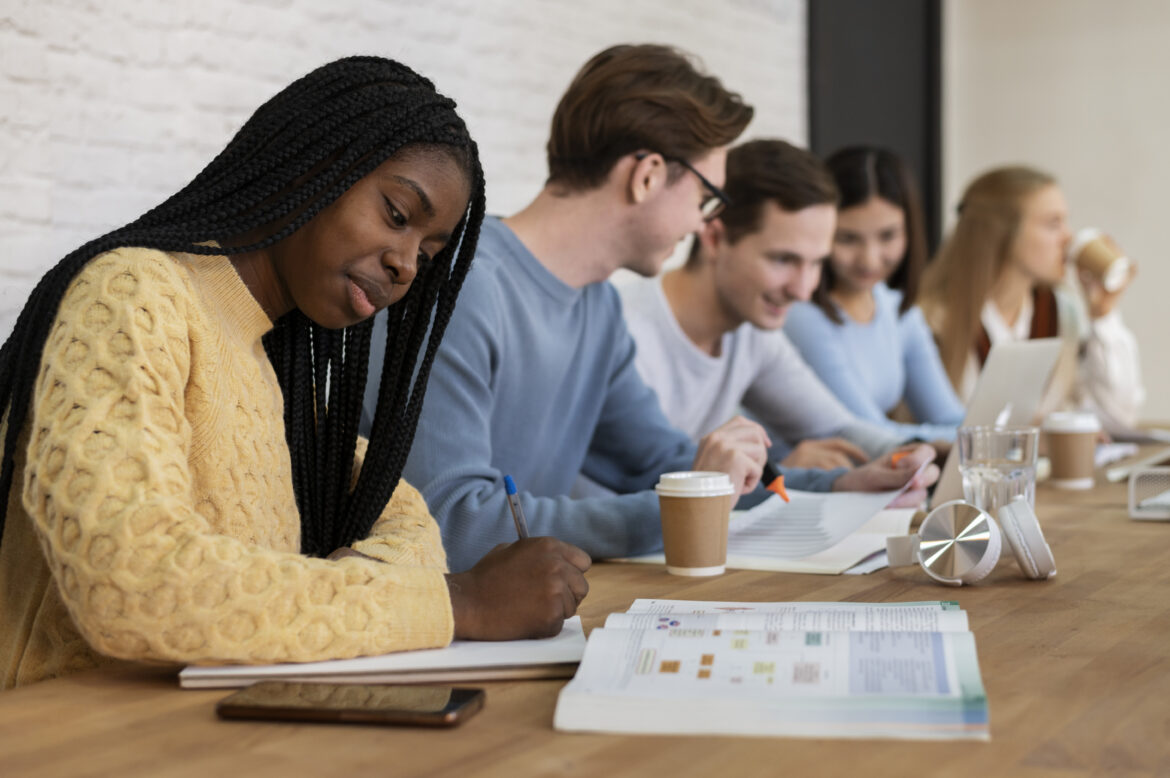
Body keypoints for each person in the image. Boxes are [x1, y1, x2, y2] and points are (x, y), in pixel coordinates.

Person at [0, 57, 590, 690]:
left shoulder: (281, 362)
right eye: (397, 214)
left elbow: (410, 524)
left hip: (216, 723)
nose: (405, 265)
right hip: (65, 728)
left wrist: (336, 592)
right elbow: (131, 581)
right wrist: (462, 603)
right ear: (317, 164)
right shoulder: (132, 295)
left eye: (426, 253)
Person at [374, 45, 938, 573]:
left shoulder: (597, 307)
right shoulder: (464, 288)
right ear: (645, 177)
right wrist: (690, 506)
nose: (702, 222)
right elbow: (453, 524)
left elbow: (662, 464)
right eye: (706, 198)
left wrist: (837, 485)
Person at [619, 139, 910, 472]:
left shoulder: (751, 331)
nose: (803, 291)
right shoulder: (629, 333)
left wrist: (923, 453)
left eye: (816, 263)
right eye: (783, 259)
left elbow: (835, 428)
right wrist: (779, 470)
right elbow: (648, 478)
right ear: (714, 239)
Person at [917, 165, 1144, 433]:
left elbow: (1118, 417)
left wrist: (1103, 314)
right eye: (1053, 224)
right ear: (1002, 232)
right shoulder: (933, 320)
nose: (1068, 237)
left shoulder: (1061, 311)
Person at [783, 146, 964, 443]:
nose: (869, 259)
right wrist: (978, 440)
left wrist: (989, 437)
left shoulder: (898, 309)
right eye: (847, 238)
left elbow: (949, 417)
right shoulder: (802, 316)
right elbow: (869, 434)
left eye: (887, 236)